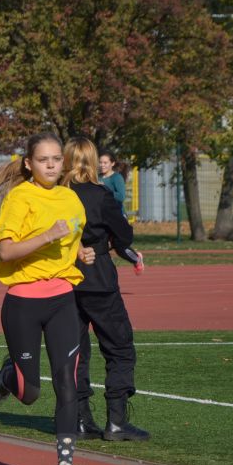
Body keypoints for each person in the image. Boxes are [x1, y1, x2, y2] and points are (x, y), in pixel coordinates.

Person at [0, 131, 89, 465]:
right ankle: (7, 375)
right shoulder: (20, 197)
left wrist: (81, 253)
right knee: (29, 394)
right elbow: (7, 252)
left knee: (67, 381)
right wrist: (46, 236)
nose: (51, 165)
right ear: (29, 164)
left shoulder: (71, 199)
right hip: (23, 302)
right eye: (43, 160)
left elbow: (71, 237)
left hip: (63, 300)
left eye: (56, 159)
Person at [62, 137, 150, 442]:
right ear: (92, 160)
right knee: (119, 347)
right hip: (98, 278)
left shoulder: (58, 195)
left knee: (74, 352)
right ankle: (116, 420)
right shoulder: (100, 195)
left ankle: (79, 419)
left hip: (64, 278)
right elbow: (124, 235)